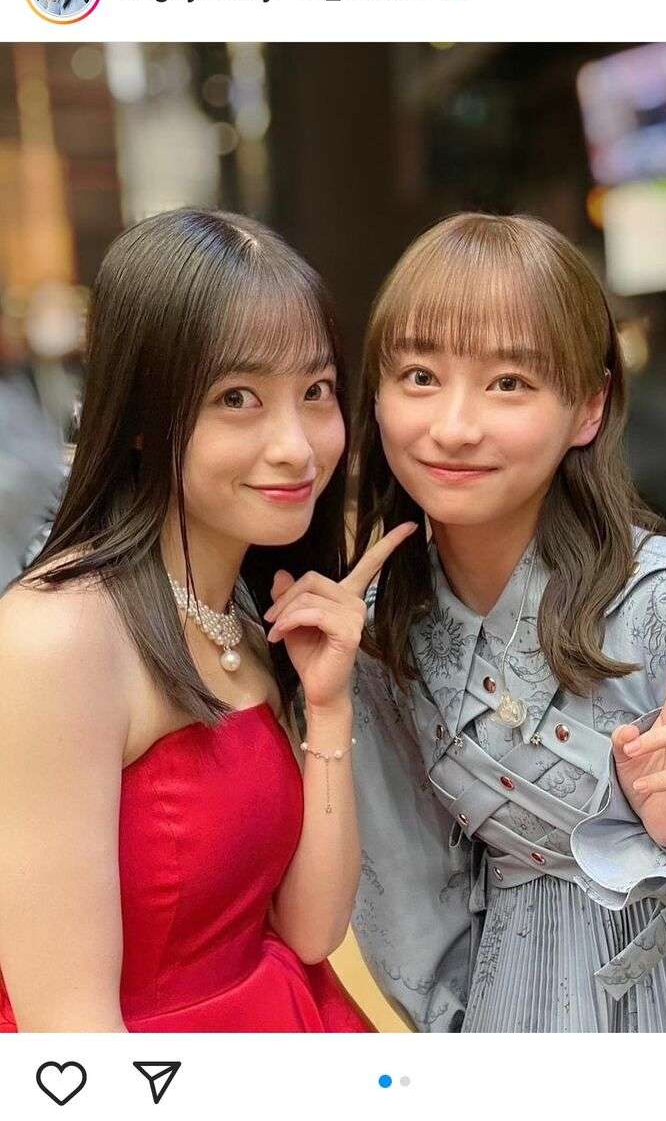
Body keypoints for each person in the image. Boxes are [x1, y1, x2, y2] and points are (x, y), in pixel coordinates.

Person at [350, 212, 666, 1033]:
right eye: (419, 375)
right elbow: (406, 892)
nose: (454, 426)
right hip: (519, 1008)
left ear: (589, 407)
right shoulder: (380, 636)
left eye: (508, 383)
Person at [0, 207, 412, 1033]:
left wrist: (328, 706)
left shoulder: (247, 612)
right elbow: (67, 1028)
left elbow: (310, 930)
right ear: (140, 418)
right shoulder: (60, 636)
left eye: (315, 391)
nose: (296, 445)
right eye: (237, 398)